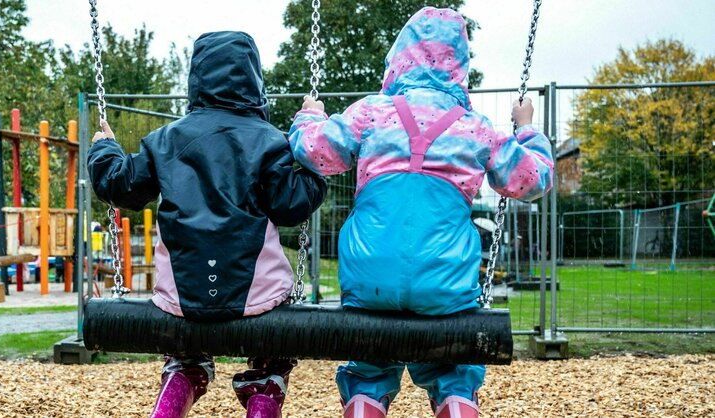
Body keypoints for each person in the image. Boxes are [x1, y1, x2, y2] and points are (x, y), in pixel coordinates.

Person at [288, 8, 554, 418]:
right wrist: (526, 130)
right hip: (445, 281)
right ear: (459, 67)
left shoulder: (371, 112)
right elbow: (533, 180)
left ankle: (364, 401)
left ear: (399, 59)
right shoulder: (476, 127)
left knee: (369, 365)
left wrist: (310, 114)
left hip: (369, 275)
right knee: (452, 366)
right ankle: (456, 400)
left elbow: (313, 151)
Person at [88, 31, 327, 418]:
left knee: (183, 355)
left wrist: (104, 148)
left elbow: (120, 186)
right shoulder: (269, 141)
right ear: (255, 83)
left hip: (181, 299)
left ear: (195, 80)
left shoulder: (164, 140)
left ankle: (181, 381)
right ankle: (265, 389)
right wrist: (314, 160)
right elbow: (291, 206)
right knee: (274, 351)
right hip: (257, 299)